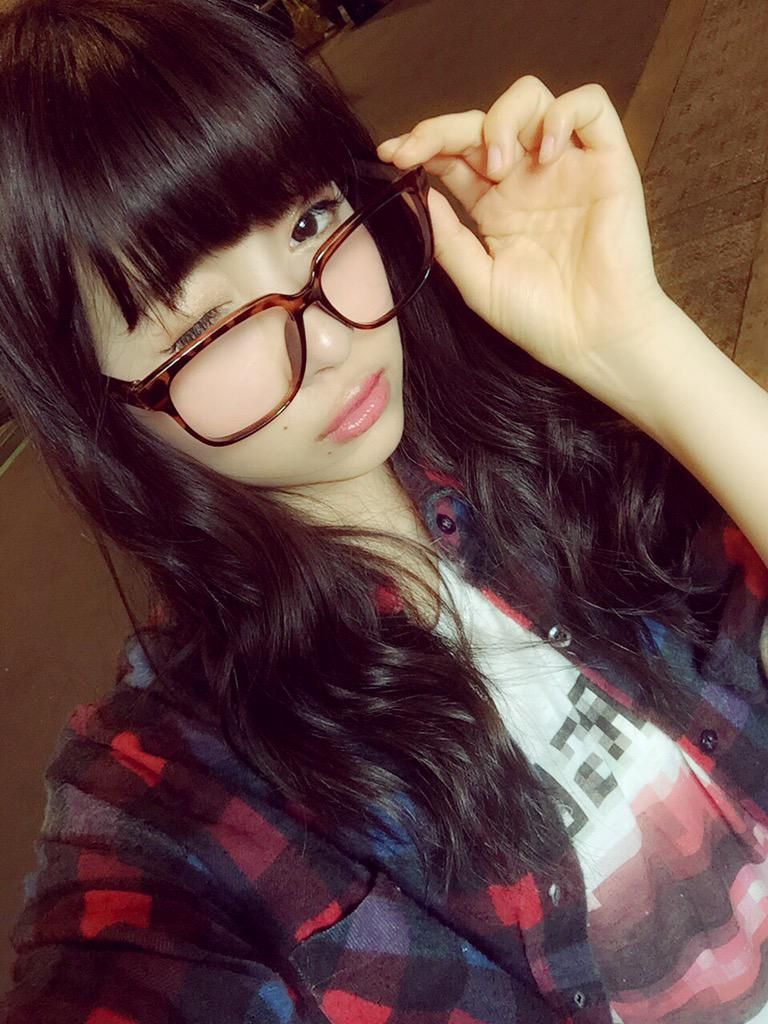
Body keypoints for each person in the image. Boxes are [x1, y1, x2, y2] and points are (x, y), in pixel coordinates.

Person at [2, 0, 768, 1021]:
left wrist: (636, 344)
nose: (330, 338)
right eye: (205, 327)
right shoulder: (180, 791)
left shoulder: (533, 439)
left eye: (310, 221)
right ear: (105, 410)